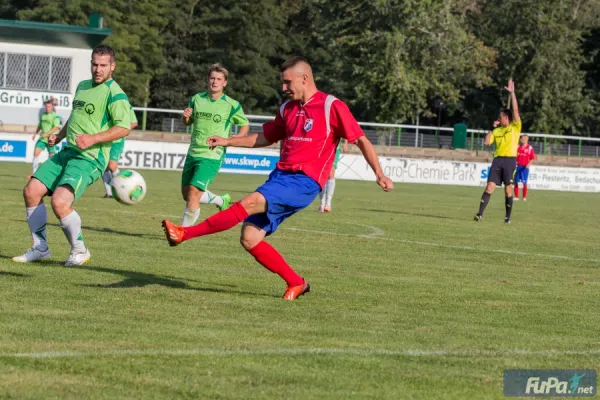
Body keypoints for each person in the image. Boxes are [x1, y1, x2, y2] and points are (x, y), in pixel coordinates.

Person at [161, 56, 394, 300]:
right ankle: (296, 282)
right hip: (280, 178)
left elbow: (360, 139)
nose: (283, 88)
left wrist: (379, 174)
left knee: (249, 202)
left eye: (287, 82)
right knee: (250, 237)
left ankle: (185, 233)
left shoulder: (331, 106)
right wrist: (228, 140)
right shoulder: (287, 109)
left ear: (304, 79)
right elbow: (264, 137)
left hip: (305, 182)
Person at [12, 45, 132, 266]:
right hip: (68, 152)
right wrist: (59, 136)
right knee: (31, 190)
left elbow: (124, 128)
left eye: (103, 65)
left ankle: (80, 250)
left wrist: (93, 138)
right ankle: (40, 248)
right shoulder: (83, 86)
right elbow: (75, 118)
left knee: (60, 201)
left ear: (112, 66)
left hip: (90, 158)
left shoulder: (115, 94)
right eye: (94, 64)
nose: (97, 69)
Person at [179, 64, 250, 226]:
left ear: (225, 83)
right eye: (212, 78)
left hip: (212, 154)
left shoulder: (231, 104)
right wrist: (185, 117)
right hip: (193, 152)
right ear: (208, 80)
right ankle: (220, 200)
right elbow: (187, 122)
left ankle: (182, 233)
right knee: (187, 194)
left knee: (193, 193)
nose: (215, 82)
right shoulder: (197, 99)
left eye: (219, 79)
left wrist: (237, 137)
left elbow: (244, 124)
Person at [474, 78, 521, 224]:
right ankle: (479, 214)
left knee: (508, 190)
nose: (498, 118)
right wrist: (492, 128)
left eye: (500, 117)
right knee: (490, 187)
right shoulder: (497, 130)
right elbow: (486, 142)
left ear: (506, 118)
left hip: (510, 160)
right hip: (498, 160)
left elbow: (515, 110)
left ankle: (507, 217)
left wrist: (512, 94)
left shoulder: (515, 127)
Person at [102, 105, 139, 198]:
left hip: (117, 140)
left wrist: (121, 130)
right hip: (105, 139)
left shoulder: (126, 106)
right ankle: (109, 193)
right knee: (104, 166)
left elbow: (134, 123)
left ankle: (130, 187)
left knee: (112, 165)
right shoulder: (105, 105)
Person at [30, 99, 61, 176]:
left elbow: (56, 127)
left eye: (49, 107)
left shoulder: (55, 116)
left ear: (52, 107)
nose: (47, 108)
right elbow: (40, 125)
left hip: (51, 139)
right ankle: (34, 173)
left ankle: (49, 173)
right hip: (42, 139)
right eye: (46, 106)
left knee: (52, 157)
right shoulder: (43, 115)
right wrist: (35, 133)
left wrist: (47, 134)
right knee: (36, 153)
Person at [319, 139, 347, 212]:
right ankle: (322, 203)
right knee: (323, 174)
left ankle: (328, 203)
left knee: (331, 174)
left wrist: (345, 142)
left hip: (335, 149)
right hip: (322, 148)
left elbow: (344, 130)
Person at [514, 134, 535, 201]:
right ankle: (516, 197)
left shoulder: (530, 148)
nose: (520, 140)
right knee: (516, 181)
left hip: (525, 167)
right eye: (521, 139)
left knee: (524, 182)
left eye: (522, 139)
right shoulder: (517, 147)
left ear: (526, 139)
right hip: (518, 166)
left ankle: (524, 197)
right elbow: (514, 156)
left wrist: (528, 165)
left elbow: (532, 158)